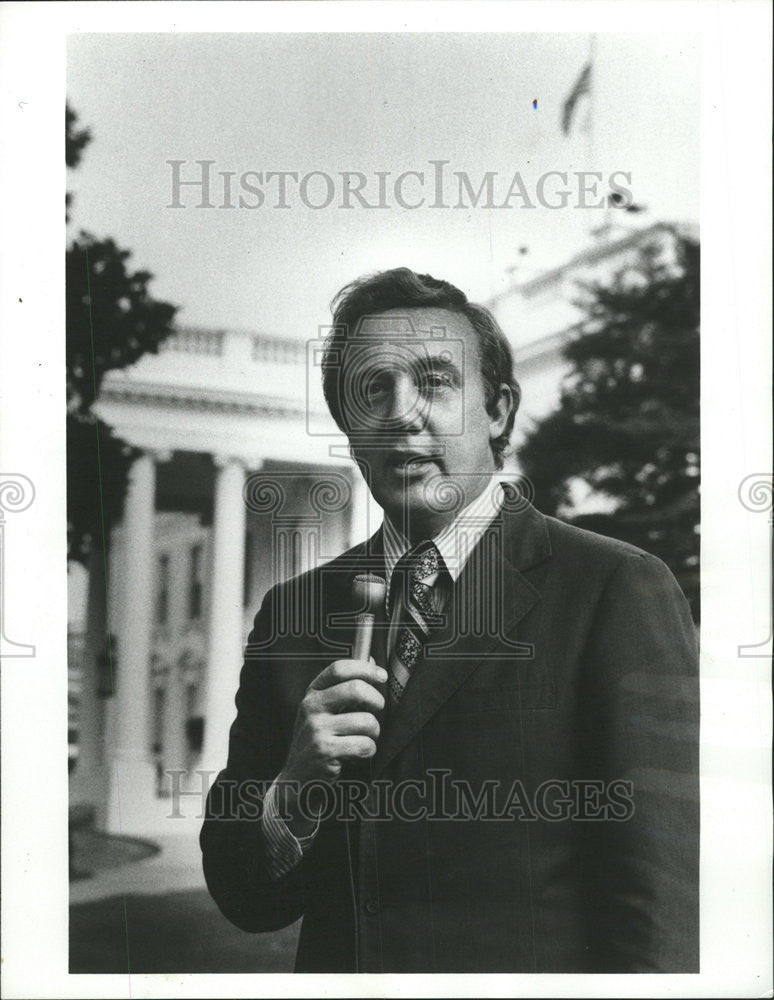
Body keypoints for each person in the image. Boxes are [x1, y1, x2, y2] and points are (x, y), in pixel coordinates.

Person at [200, 267, 699, 973]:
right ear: (348, 425)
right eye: (374, 389)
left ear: (496, 410)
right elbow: (244, 899)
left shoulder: (613, 588)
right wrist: (297, 786)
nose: (403, 413)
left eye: (435, 383)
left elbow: (660, 906)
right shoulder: (296, 614)